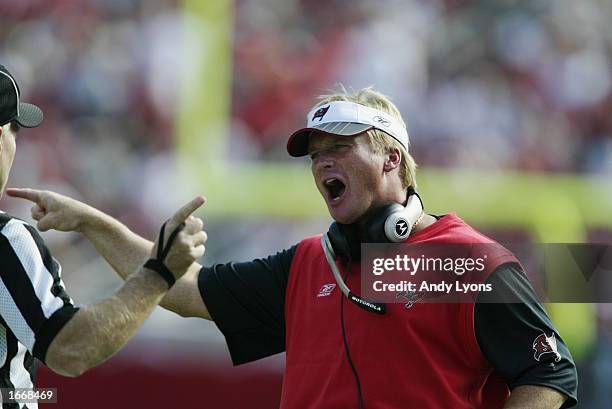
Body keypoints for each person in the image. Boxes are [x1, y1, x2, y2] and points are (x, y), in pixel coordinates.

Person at [9, 87, 578, 408]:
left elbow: (548, 376)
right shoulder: (311, 263)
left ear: (391, 159)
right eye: (315, 153)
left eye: (340, 147)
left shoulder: (459, 263)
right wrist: (89, 222)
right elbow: (180, 291)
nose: (323, 162)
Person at [0, 65, 207, 409]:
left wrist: (90, 222)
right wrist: (158, 274)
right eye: (15, 130)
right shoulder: (7, 239)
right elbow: (70, 349)